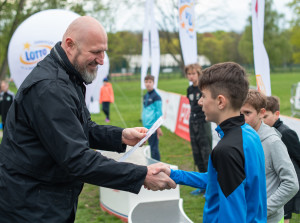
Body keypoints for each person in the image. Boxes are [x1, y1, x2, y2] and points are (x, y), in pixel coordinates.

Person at [0, 16, 176, 223]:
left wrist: (119, 136)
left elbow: (80, 128)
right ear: (70, 45)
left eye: (104, 52)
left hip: (46, 197)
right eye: (95, 52)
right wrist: (141, 175)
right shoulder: (51, 88)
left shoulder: (68, 76)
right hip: (30, 205)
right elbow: (77, 159)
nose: (101, 60)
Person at [158, 62, 267, 222]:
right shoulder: (248, 133)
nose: (200, 102)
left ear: (221, 102)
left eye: (204, 96)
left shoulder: (227, 149)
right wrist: (174, 174)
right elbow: (218, 179)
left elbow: (233, 216)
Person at [241, 90, 299, 223]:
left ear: (261, 113)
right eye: (239, 113)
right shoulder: (240, 137)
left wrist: (263, 210)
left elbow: (291, 183)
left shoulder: (273, 142)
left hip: (267, 218)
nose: (242, 118)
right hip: (243, 215)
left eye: (247, 113)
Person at [263, 96, 300, 223]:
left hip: (285, 184)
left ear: (276, 114)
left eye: (265, 116)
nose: (262, 120)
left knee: (285, 217)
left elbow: (298, 156)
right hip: (274, 185)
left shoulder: (286, 133)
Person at [185, 63, 212, 196]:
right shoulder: (189, 90)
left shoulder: (204, 89)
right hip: (192, 121)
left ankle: (210, 186)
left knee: (206, 153)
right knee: (197, 153)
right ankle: (201, 185)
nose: (191, 76)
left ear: (198, 74)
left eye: (193, 73)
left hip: (203, 122)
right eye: (189, 74)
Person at [142, 75, 163, 161]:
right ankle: (151, 165)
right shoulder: (145, 96)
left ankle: (157, 165)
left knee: (154, 149)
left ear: (153, 83)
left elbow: (159, 112)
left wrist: (157, 127)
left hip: (153, 127)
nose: (148, 84)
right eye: (146, 82)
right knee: (149, 148)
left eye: (150, 82)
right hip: (146, 126)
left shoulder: (156, 97)